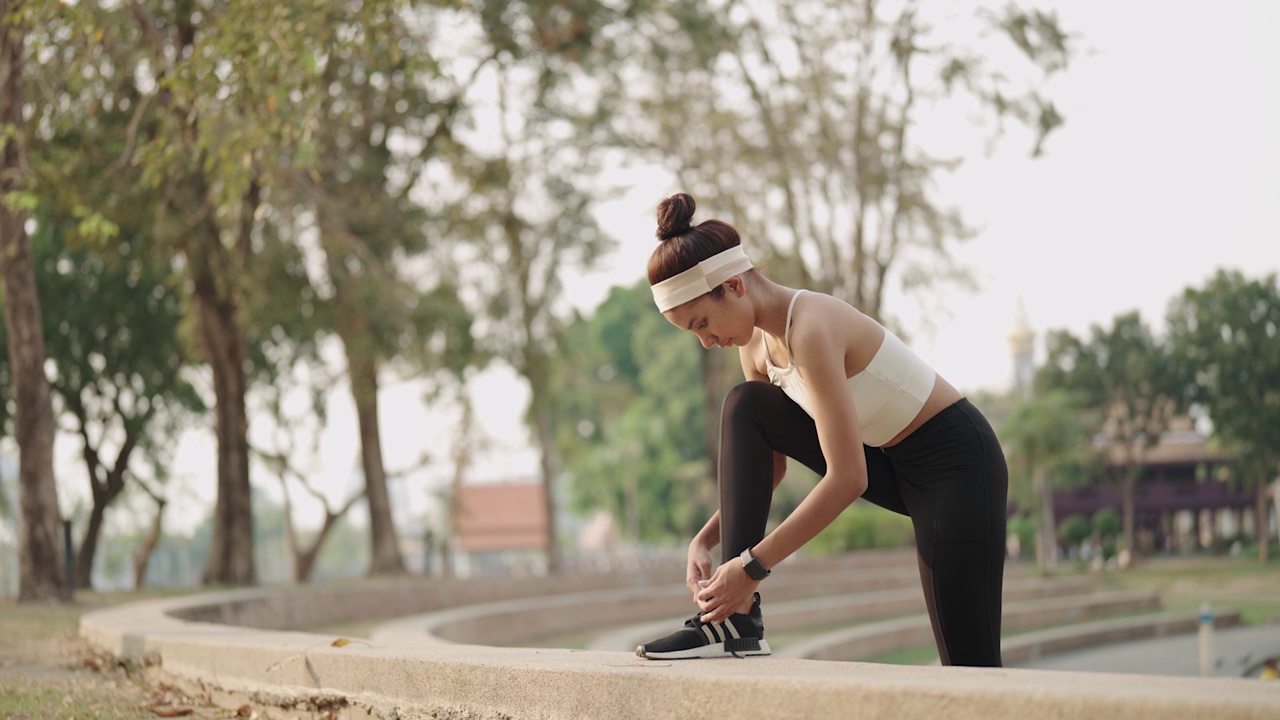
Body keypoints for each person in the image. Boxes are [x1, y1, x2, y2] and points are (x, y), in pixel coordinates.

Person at [634, 193, 1009, 667]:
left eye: (702, 323)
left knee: (969, 664)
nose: (706, 342)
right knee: (746, 404)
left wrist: (751, 567)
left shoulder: (812, 327)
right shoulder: (753, 348)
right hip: (891, 461)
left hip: (957, 465)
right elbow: (768, 470)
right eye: (694, 333)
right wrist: (704, 539)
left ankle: (740, 599)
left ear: (733, 286)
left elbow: (848, 477)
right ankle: (734, 621)